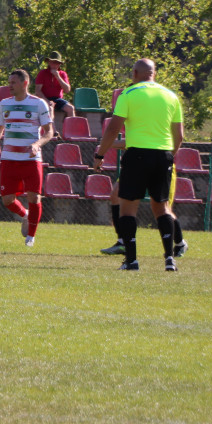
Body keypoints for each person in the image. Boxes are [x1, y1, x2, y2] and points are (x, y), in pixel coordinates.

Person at [94, 58, 187, 271]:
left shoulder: (129, 94)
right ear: (154, 73)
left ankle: (132, 261)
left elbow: (112, 130)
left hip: (136, 157)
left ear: (135, 73)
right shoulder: (171, 96)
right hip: (163, 156)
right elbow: (179, 135)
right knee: (162, 208)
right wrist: (169, 156)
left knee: (128, 210)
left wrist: (100, 155)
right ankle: (169, 260)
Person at [0, 69, 54, 247]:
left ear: (24, 83)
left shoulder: (39, 104)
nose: (9, 85)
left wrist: (36, 144)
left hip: (31, 159)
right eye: (9, 82)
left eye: (13, 82)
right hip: (9, 158)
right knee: (7, 200)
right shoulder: (4, 104)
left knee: (34, 197)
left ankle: (31, 237)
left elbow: (49, 132)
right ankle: (26, 215)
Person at [34, 51, 75, 122]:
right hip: (44, 98)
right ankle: (54, 131)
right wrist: (47, 101)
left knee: (70, 108)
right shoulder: (42, 73)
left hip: (57, 99)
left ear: (59, 64)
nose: (54, 65)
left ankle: (72, 129)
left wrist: (57, 76)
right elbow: (38, 91)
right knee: (50, 108)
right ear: (49, 62)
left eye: (57, 63)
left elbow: (67, 90)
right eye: (53, 62)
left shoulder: (63, 74)